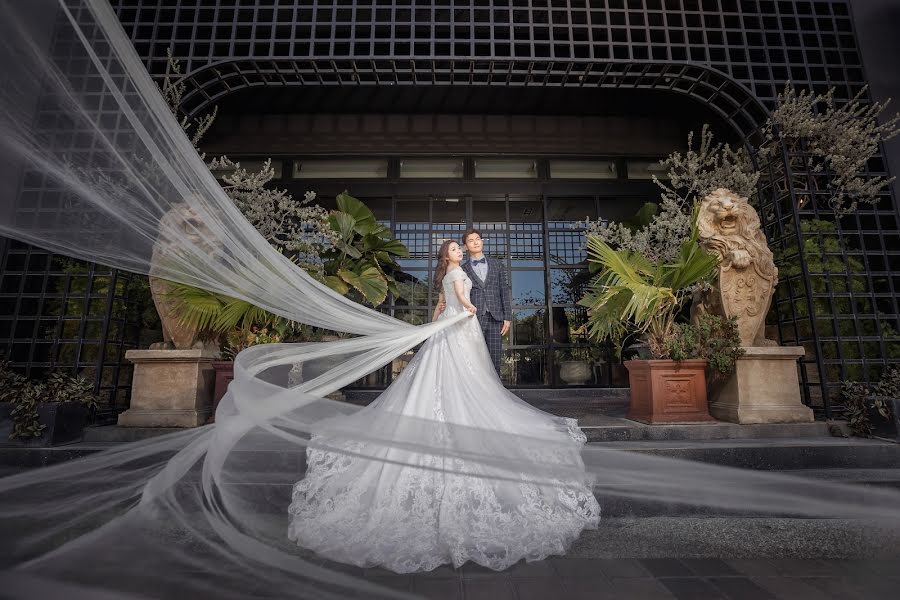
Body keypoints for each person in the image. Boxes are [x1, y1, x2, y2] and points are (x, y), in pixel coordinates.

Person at [287, 240, 600, 573]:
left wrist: (439, 319)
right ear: (446, 255)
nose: (460, 253)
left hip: (451, 326)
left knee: (458, 374)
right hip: (461, 326)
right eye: (455, 249)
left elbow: (440, 303)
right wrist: (469, 308)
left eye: (460, 249)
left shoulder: (451, 273)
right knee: (465, 374)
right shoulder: (455, 272)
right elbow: (461, 298)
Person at [455, 228, 511, 375]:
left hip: (496, 318)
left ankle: (495, 395)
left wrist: (507, 317)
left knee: (495, 360)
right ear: (466, 247)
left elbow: (503, 290)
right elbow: (460, 294)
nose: (475, 242)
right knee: (474, 358)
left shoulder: (497, 264)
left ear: (482, 241)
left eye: (477, 239)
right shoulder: (462, 269)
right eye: (471, 241)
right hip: (473, 318)